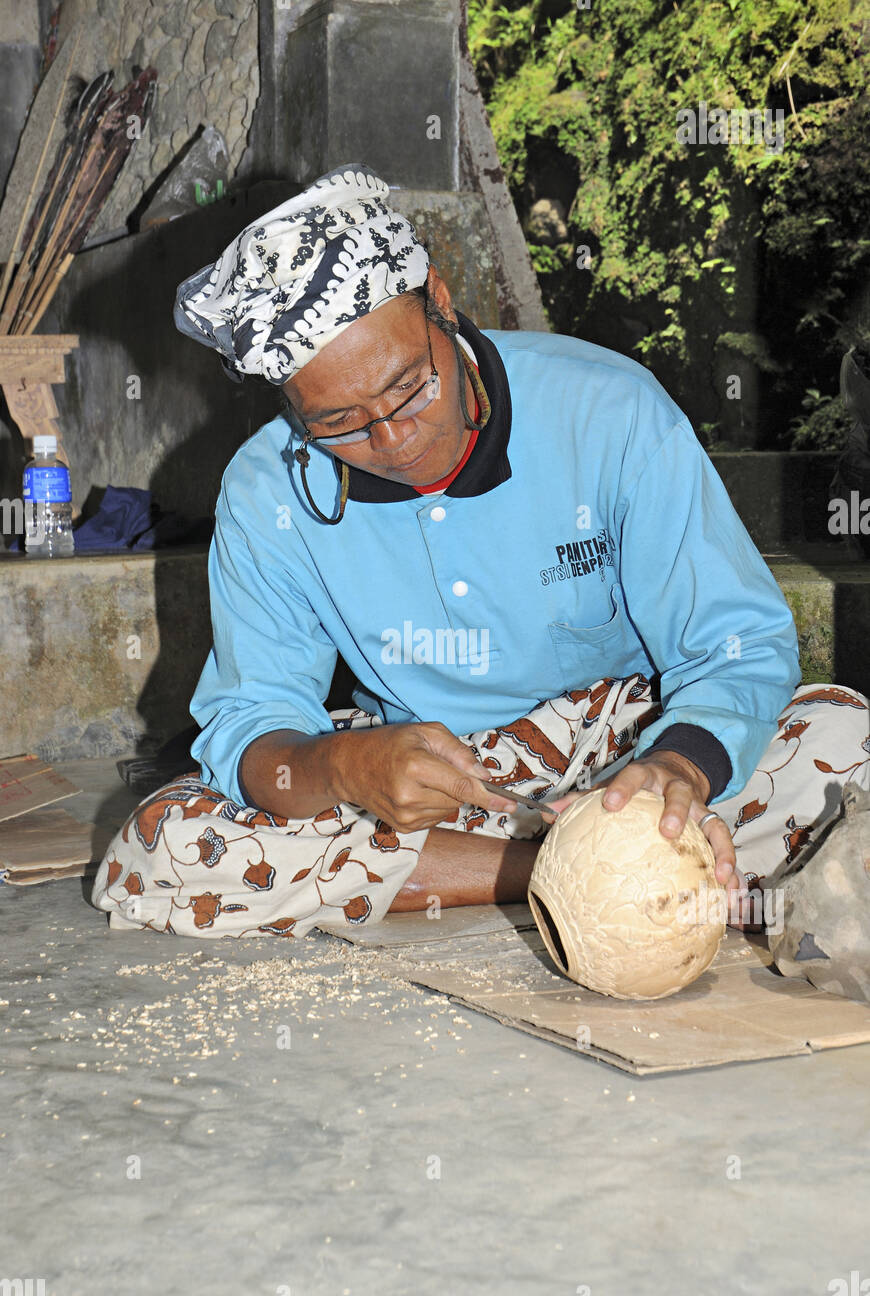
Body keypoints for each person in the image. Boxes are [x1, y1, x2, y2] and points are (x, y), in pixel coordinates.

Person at [91, 163, 870, 940]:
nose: (393, 439)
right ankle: (580, 875)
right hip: (428, 777)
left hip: (624, 752)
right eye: (338, 422)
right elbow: (251, 716)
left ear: (438, 296)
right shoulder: (266, 491)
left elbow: (736, 644)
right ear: (290, 404)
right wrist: (345, 770)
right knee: (166, 843)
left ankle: (625, 852)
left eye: (408, 388)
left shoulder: (606, 410)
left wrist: (680, 770)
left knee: (844, 746)